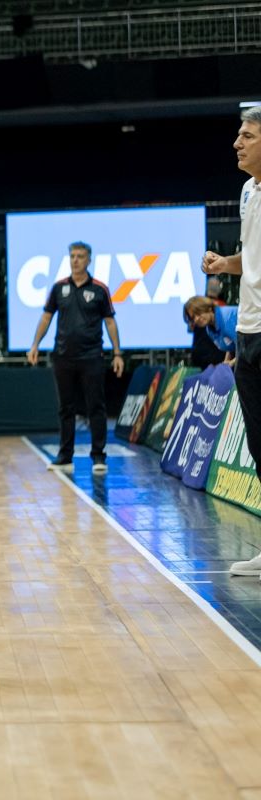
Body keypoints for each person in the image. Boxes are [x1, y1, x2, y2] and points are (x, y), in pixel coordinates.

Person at [204, 108, 261, 579]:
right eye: (238, 135)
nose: (237, 143)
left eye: (247, 136)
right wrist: (226, 264)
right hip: (247, 332)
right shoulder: (246, 192)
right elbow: (254, 261)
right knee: (260, 446)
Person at [27, 241, 125, 475]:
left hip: (92, 356)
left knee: (96, 407)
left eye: (81, 256)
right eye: (73, 256)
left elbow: (110, 322)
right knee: (66, 408)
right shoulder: (59, 288)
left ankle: (99, 457)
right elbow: (46, 318)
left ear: (89, 260)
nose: (76, 260)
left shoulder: (100, 288)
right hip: (63, 356)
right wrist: (35, 344)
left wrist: (117, 352)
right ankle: (65, 456)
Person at [184, 295, 237, 365]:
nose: (196, 319)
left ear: (208, 308)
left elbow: (245, 348)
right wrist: (226, 362)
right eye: (193, 318)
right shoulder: (210, 329)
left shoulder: (227, 318)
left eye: (198, 313)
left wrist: (231, 363)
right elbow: (231, 345)